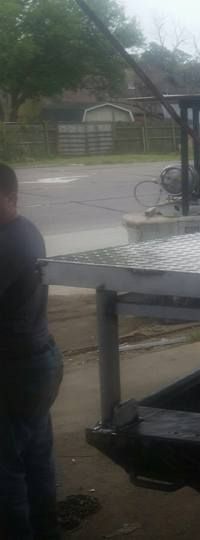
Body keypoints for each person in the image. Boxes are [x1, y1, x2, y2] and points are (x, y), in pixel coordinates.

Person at [0, 162, 63, 540]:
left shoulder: (8, 242)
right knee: (36, 455)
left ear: (11, 197)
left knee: (6, 469)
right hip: (36, 361)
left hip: (15, 369)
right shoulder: (23, 230)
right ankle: (47, 530)